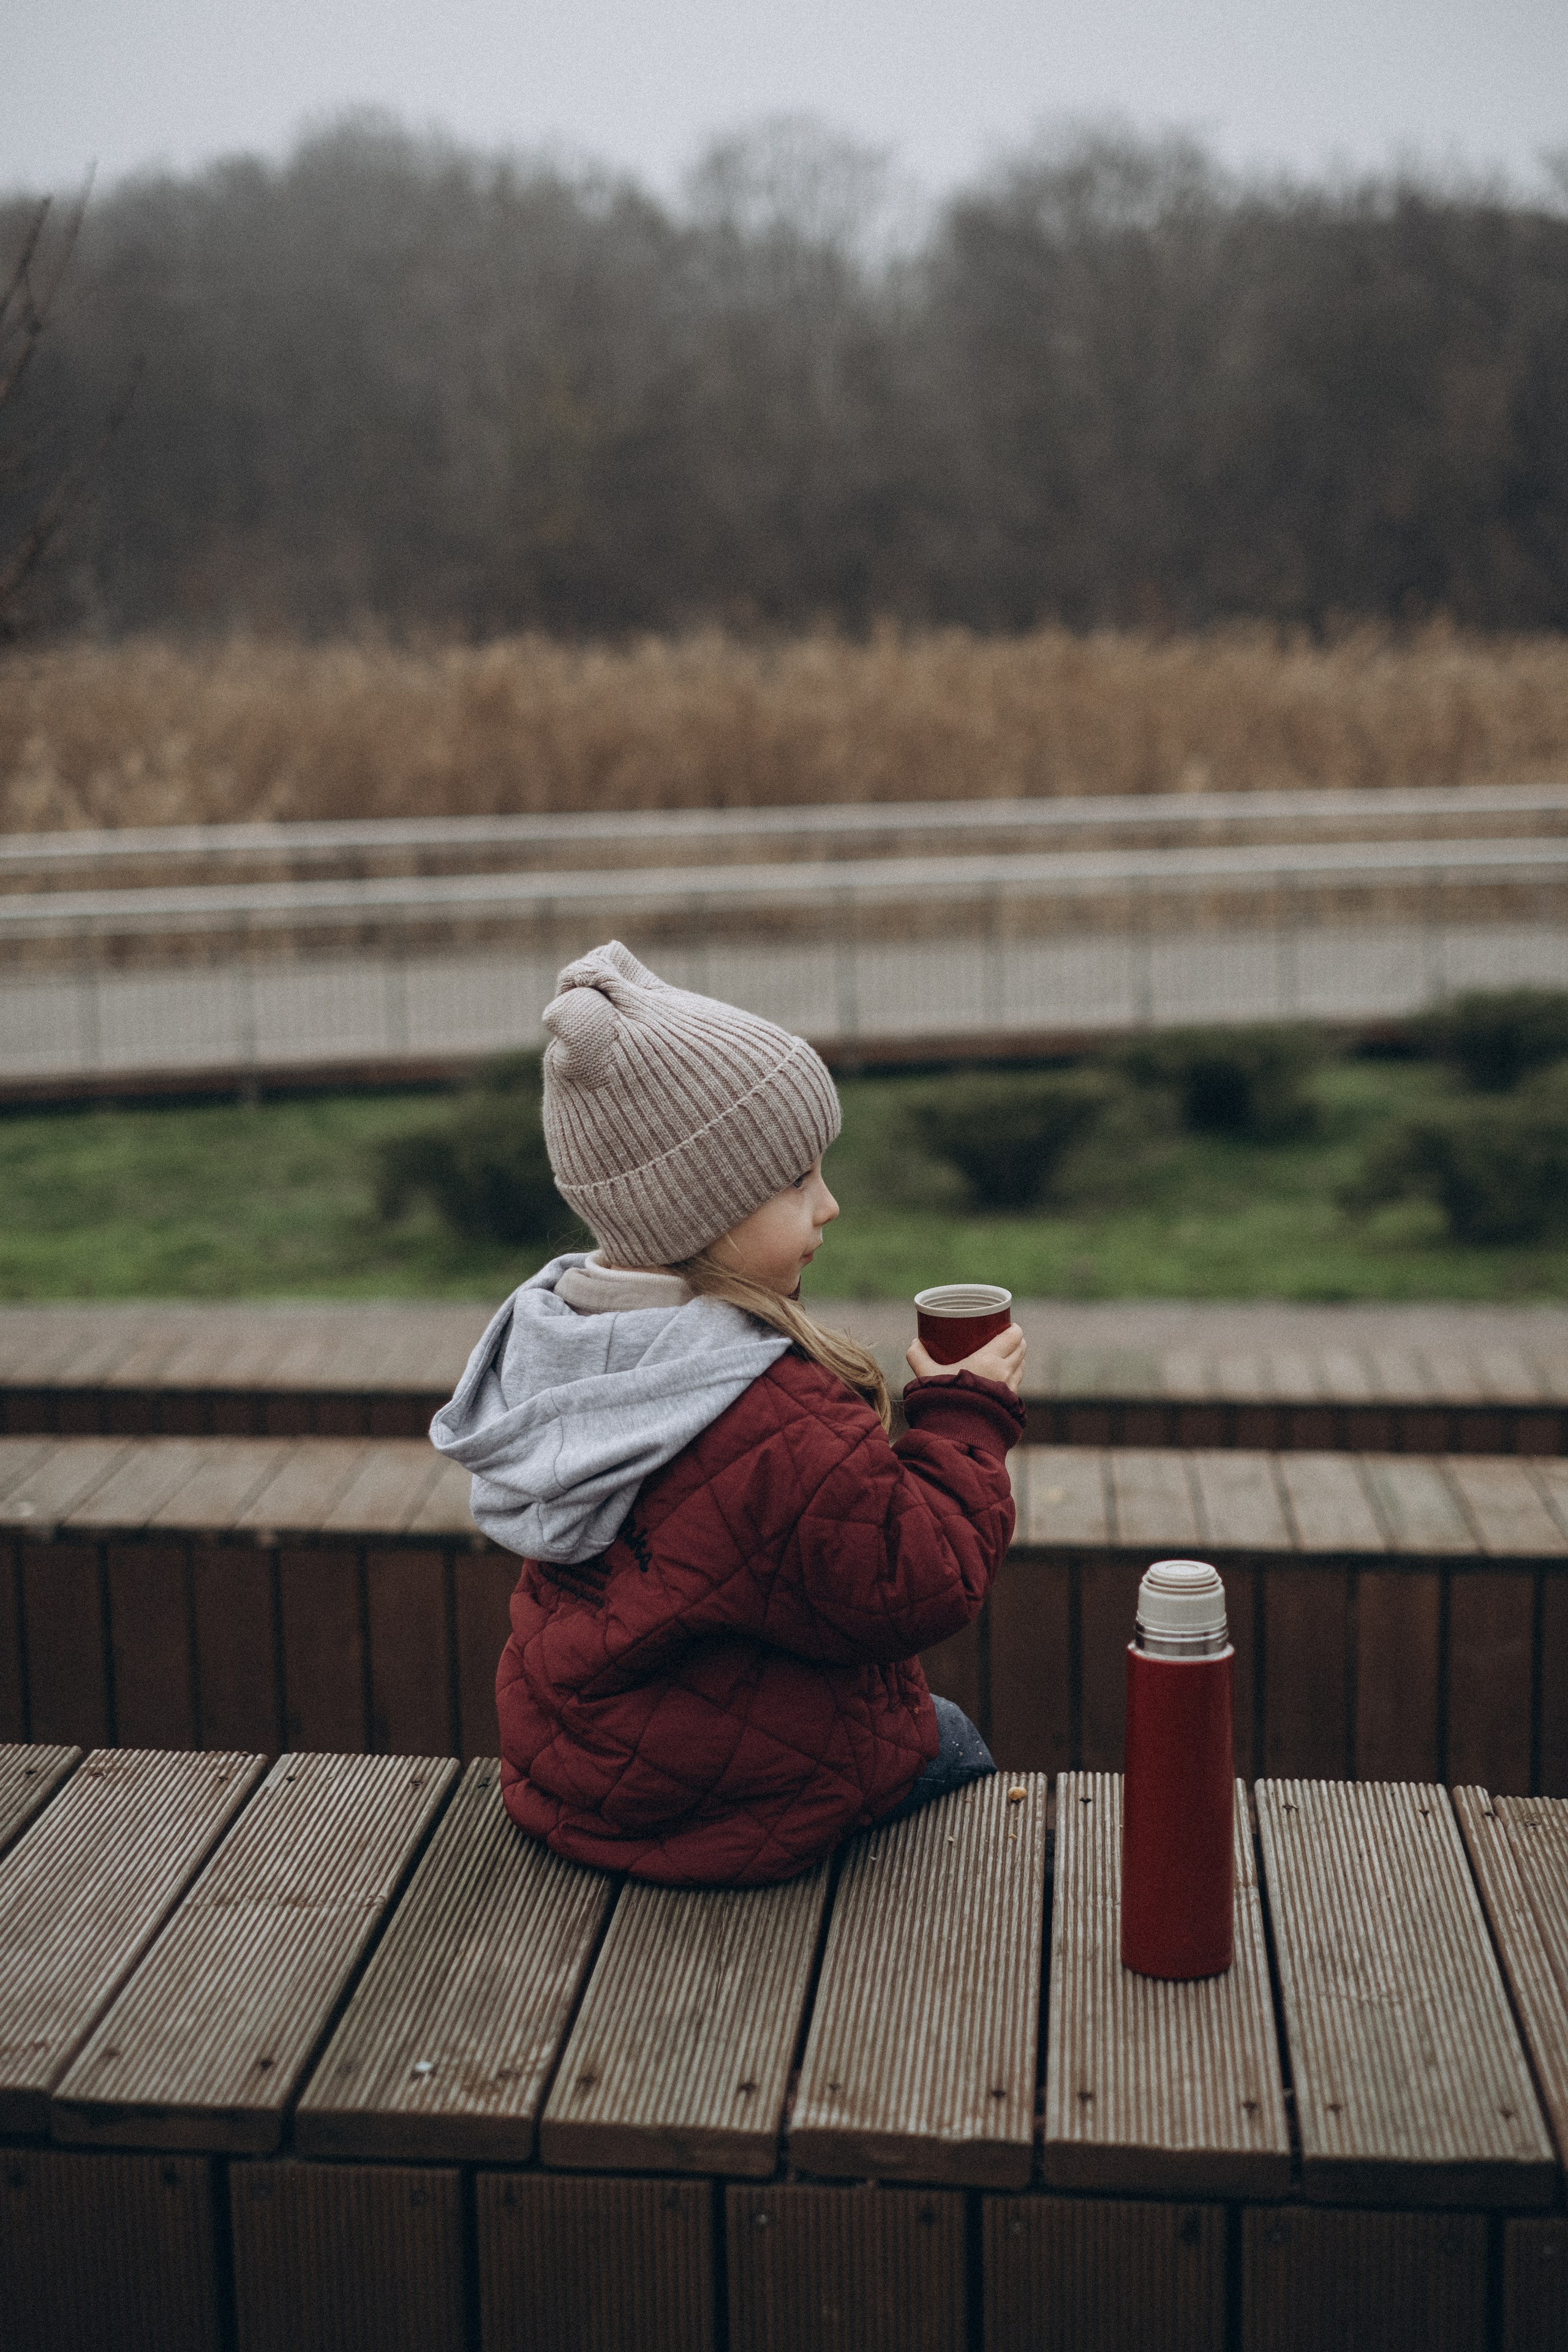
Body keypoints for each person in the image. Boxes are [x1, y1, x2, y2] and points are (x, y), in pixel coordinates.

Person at [431, 940, 1027, 1886]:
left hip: (576, 1778)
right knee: (951, 1737)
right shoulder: (766, 1416)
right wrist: (966, 1418)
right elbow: (918, 1580)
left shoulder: (554, 1344)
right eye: (797, 1182)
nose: (829, 1206)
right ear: (700, 1212)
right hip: (731, 1810)